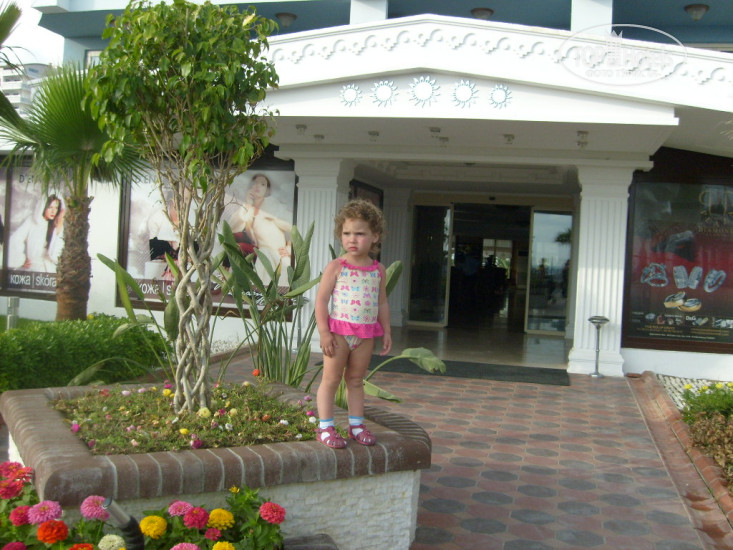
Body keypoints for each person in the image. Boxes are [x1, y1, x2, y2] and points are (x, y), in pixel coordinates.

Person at [314, 199, 392, 449]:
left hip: (365, 335)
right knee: (331, 379)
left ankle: (356, 425)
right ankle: (325, 427)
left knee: (356, 380)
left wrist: (386, 331)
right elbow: (321, 300)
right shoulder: (337, 267)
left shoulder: (379, 270)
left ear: (375, 236)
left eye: (360, 234)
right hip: (338, 333)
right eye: (347, 233)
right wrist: (324, 332)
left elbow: (381, 302)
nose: (352, 239)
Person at [230, 174, 292, 289]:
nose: (257, 186)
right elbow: (233, 227)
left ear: (267, 190)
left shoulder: (273, 206)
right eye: (255, 183)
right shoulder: (248, 208)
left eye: (263, 184)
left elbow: (293, 227)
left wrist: (289, 248)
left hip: (277, 255)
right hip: (261, 253)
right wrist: (248, 204)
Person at [9, 194, 64, 272]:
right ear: (43, 206)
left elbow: (56, 255)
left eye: (56, 208)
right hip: (33, 270)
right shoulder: (32, 221)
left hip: (51, 271)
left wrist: (58, 230)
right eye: (50, 207)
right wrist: (20, 260)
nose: (53, 211)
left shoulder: (57, 226)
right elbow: (15, 240)